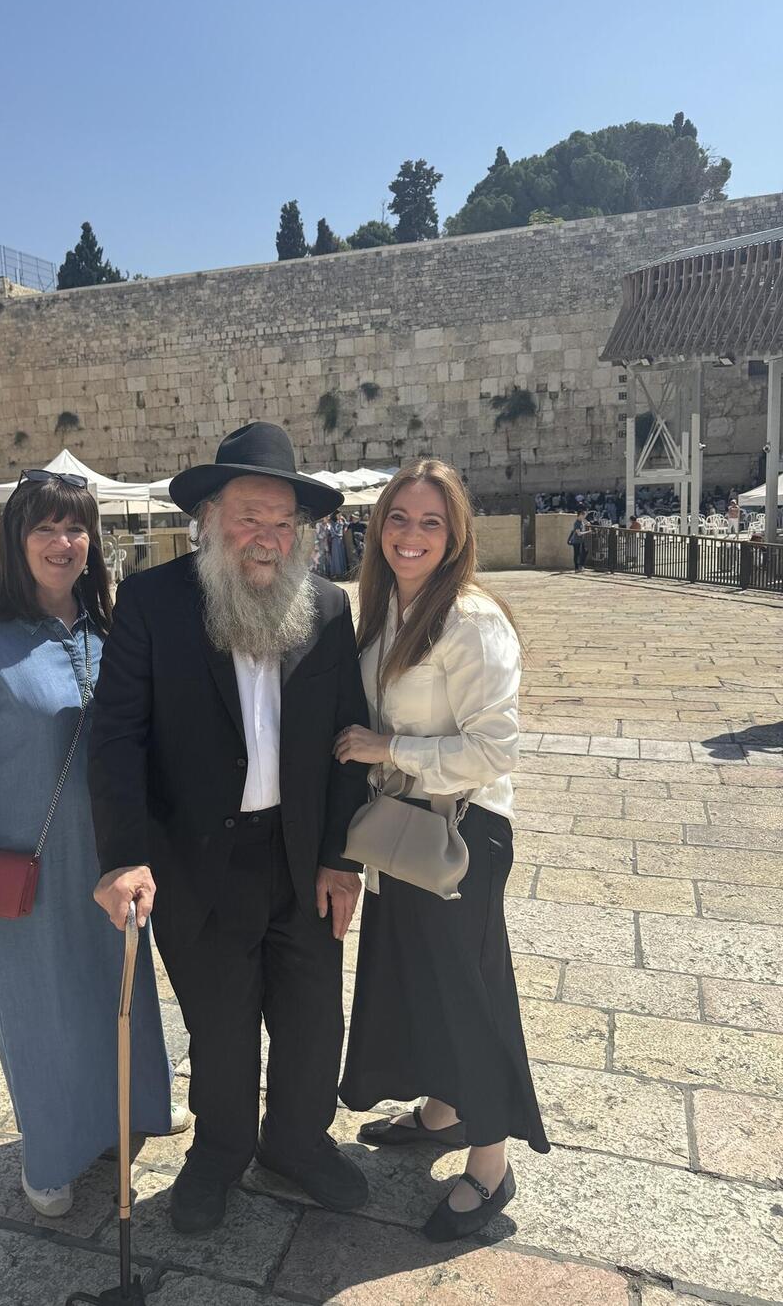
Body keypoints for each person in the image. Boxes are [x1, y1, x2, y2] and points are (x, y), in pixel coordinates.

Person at [89, 421, 370, 1236]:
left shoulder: (325, 606)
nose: (268, 538)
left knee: (315, 1014)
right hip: (198, 859)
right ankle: (218, 1151)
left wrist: (340, 858)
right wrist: (123, 858)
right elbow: (117, 738)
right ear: (208, 519)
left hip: (301, 853)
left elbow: (349, 740)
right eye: (251, 517)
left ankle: (295, 1142)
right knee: (221, 1024)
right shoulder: (153, 602)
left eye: (284, 523)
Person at [0, 471, 182, 1219]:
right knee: (43, 1015)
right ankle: (52, 1154)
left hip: (109, 859)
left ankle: (121, 1116)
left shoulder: (108, 626)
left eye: (76, 528)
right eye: (46, 528)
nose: (64, 543)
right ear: (15, 540)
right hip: (27, 872)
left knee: (117, 991)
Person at [334, 459, 548, 1243]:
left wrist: (391, 745)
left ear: (456, 532)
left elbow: (495, 748)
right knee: (413, 976)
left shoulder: (471, 619)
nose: (411, 535)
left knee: (465, 991)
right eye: (399, 518)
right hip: (405, 827)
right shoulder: (388, 606)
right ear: (378, 526)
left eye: (430, 522)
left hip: (461, 832)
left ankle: (490, 1164)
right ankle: (442, 1109)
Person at [327, 510, 348, 579]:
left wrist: (344, 521)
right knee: (336, 557)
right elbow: (334, 532)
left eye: (340, 515)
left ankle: (343, 573)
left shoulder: (341, 521)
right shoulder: (332, 523)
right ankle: (336, 573)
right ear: (335, 515)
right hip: (335, 540)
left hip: (341, 541)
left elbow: (347, 524)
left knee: (341, 556)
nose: (340, 516)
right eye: (338, 515)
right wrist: (339, 524)